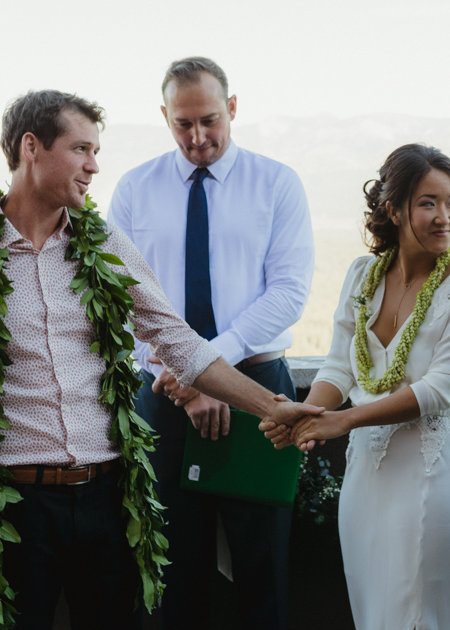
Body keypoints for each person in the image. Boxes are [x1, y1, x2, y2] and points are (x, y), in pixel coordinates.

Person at [0, 90, 320, 630]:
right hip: (13, 505)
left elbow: (179, 343)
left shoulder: (108, 250)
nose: (94, 166)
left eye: (96, 151)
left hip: (109, 499)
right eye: (81, 149)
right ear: (32, 147)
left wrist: (273, 406)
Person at [108, 57, 314, 629]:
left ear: (233, 108)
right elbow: (119, 298)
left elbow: (290, 292)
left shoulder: (277, 183)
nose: (198, 137)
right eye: (182, 124)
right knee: (169, 573)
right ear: (164, 117)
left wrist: (207, 365)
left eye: (209, 120)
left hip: (258, 392)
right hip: (163, 394)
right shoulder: (133, 189)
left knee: (262, 569)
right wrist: (181, 375)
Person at [262, 143, 450, 629]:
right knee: (373, 612)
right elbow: (339, 367)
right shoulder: (361, 275)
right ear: (393, 209)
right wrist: (306, 416)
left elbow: (439, 390)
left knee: (415, 617)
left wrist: (342, 420)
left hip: (430, 474)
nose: (445, 216)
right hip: (366, 475)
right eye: (427, 202)